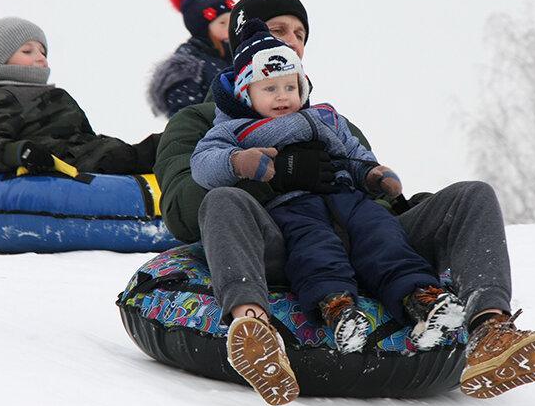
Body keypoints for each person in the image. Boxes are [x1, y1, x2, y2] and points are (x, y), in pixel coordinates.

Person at [154, 0, 535, 406]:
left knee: (471, 196)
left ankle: (490, 331)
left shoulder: (328, 121)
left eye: (300, 33)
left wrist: (405, 200)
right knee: (224, 200)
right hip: (281, 242)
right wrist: (271, 177)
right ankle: (256, 331)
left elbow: (369, 188)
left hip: (362, 237)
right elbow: (183, 210)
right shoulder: (201, 124)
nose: (292, 41)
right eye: (280, 29)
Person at [190, 18, 465, 356]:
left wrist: (375, 174)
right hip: (292, 205)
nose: (282, 98)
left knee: (383, 234)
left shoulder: (325, 117)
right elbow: (203, 163)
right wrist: (239, 162)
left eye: (290, 88)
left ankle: (420, 299)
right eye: (270, 89)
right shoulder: (235, 129)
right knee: (313, 245)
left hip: (347, 198)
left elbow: (353, 153)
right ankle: (336, 307)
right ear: (246, 93)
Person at [0, 16, 160, 177]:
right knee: (150, 152)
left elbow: (85, 137)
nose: (41, 57)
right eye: (27, 51)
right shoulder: (2, 97)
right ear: (0, 60)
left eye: (43, 51)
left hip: (90, 156)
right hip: (63, 165)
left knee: (162, 145)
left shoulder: (55, 95)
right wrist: (21, 152)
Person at [147, 0, 234, 118]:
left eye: (233, 21)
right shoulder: (188, 66)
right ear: (202, 29)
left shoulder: (240, 53)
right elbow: (184, 118)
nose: (230, 28)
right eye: (222, 23)